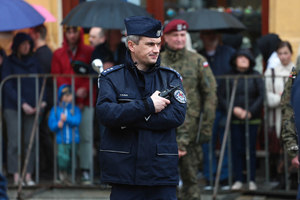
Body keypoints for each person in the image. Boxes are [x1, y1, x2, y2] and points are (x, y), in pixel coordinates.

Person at [96, 16, 187, 200]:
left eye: (158, 44)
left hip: (160, 174)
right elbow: (106, 114)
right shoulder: (111, 78)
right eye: (150, 44)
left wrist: (128, 117)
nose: (156, 50)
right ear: (132, 45)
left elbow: (177, 116)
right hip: (125, 174)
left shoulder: (170, 78)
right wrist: (148, 106)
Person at [160, 19, 217, 200]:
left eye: (182, 35)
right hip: (163, 132)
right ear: (166, 38)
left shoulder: (197, 61)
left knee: (191, 181)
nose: (179, 39)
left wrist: (205, 128)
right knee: (164, 181)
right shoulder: (158, 61)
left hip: (191, 132)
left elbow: (210, 95)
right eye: (175, 35)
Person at [1, 32, 47, 186]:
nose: (26, 46)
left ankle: (28, 175)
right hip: (13, 106)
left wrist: (43, 100)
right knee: (14, 141)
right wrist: (22, 103)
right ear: (17, 46)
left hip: (33, 106)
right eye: (23, 44)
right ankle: (15, 175)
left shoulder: (35, 61)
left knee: (30, 141)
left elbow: (42, 81)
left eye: (28, 43)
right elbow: (7, 85)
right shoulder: (9, 62)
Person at [51, 26, 94, 184]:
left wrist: (82, 96)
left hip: (85, 100)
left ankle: (85, 170)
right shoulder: (58, 53)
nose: (71, 35)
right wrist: (73, 94)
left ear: (80, 33)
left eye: (74, 31)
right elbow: (58, 76)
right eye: (68, 32)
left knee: (85, 136)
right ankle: (67, 171)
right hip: (66, 101)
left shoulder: (88, 51)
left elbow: (90, 75)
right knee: (65, 138)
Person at [219, 49, 264, 191]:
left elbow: (261, 96)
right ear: (235, 60)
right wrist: (233, 109)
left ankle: (251, 179)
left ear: (251, 60)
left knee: (250, 149)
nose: (243, 60)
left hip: (252, 118)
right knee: (236, 149)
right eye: (240, 57)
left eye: (246, 57)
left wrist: (250, 111)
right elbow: (221, 96)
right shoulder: (229, 76)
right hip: (234, 118)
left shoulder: (256, 76)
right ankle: (238, 178)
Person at [198, 29, 236, 188]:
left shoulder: (229, 52)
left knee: (227, 142)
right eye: (207, 34)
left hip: (226, 105)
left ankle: (225, 177)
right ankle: (210, 177)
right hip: (206, 107)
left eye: (214, 34)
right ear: (202, 37)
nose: (211, 37)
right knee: (208, 143)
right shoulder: (198, 56)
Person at [265, 41, 294, 183]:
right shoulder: (271, 72)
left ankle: (293, 178)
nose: (283, 57)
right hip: (276, 118)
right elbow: (268, 97)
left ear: (291, 53)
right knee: (278, 149)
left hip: (294, 117)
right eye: (280, 53)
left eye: (286, 53)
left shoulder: (296, 70)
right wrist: (284, 98)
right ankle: (281, 179)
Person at [29, 24, 54, 179]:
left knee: (42, 133)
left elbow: (42, 80)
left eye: (31, 34)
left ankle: (47, 167)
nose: (30, 37)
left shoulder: (41, 54)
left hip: (44, 98)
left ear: (37, 35)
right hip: (45, 97)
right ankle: (46, 167)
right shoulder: (46, 53)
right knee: (42, 132)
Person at [48, 84, 81, 185]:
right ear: (60, 97)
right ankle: (62, 175)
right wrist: (58, 124)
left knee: (72, 159)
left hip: (73, 139)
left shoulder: (75, 109)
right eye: (66, 95)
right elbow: (51, 124)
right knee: (62, 158)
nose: (68, 98)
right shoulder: (55, 109)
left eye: (70, 95)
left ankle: (71, 177)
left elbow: (77, 121)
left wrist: (67, 119)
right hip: (60, 139)